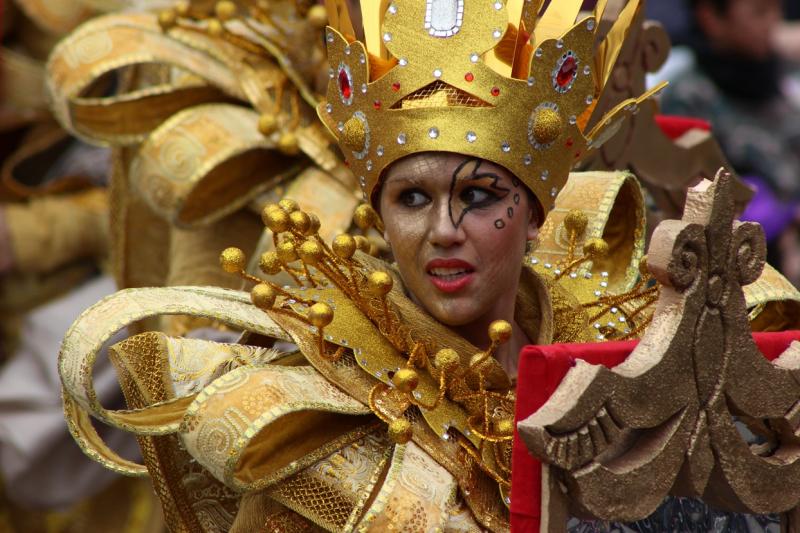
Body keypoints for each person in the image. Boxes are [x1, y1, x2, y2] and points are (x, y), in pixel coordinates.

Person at [56, 0, 800, 530]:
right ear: (377, 213)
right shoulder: (321, 421)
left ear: (540, 210)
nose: (443, 230)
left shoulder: (631, 342)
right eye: (412, 197)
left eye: (479, 197)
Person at [661, 0, 800, 284]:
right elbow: (693, 206)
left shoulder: (782, 82)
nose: (773, 22)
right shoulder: (688, 99)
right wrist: (781, 217)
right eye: (760, 12)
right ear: (711, 17)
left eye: (777, 10)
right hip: (739, 268)